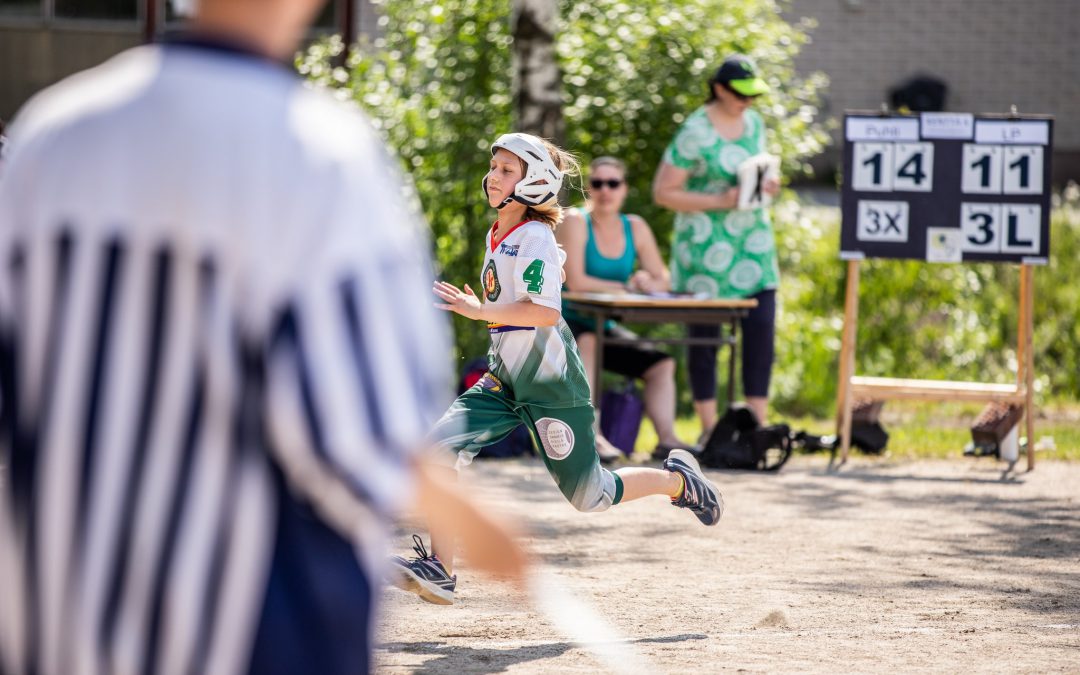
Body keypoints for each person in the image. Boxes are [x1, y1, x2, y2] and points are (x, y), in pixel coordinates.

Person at [0, 1, 525, 674]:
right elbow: (357, 432)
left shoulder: (55, 130)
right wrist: (468, 520)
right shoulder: (321, 152)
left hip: (55, 612)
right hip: (246, 620)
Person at [387, 132, 723, 607]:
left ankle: (679, 481)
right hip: (504, 380)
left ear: (535, 182)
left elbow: (544, 312)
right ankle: (440, 570)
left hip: (551, 386)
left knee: (592, 496)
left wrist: (479, 310)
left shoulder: (535, 235)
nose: (493, 176)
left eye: (507, 170)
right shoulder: (501, 231)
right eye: (495, 166)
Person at [652, 54, 781, 438]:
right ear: (720, 89)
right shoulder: (696, 131)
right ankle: (711, 430)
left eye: (753, 95)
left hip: (753, 245)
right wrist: (718, 201)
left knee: (761, 331)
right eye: (741, 94)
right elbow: (663, 193)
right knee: (705, 340)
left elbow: (751, 174)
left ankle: (756, 427)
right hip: (706, 250)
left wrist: (766, 186)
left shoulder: (754, 123)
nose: (749, 102)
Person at [558, 156, 694, 460]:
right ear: (589, 189)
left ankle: (667, 441)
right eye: (597, 183)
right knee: (590, 343)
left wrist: (648, 281)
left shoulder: (635, 226)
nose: (605, 190)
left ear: (624, 189)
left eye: (613, 183)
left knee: (661, 364)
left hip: (604, 325)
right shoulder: (576, 221)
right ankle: (591, 436)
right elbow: (577, 282)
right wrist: (625, 287)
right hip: (566, 324)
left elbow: (663, 279)